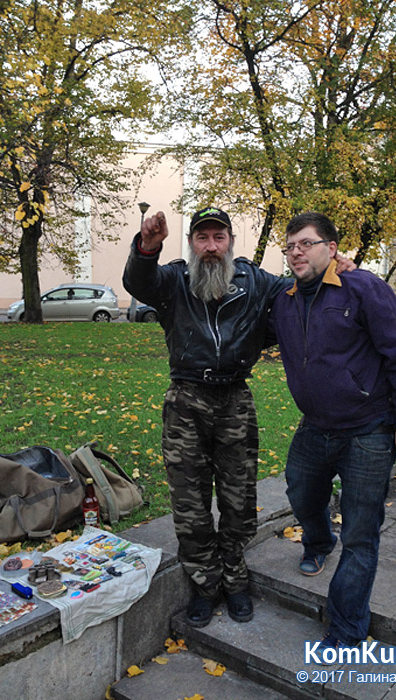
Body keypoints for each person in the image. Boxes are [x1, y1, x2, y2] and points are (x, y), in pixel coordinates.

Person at [123, 206, 294, 627]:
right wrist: (147, 245)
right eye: (203, 238)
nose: (211, 247)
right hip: (186, 401)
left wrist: (332, 266)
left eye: (219, 238)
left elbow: (298, 291)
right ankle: (204, 583)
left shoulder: (255, 282)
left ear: (230, 242)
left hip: (234, 399)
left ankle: (234, 580)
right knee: (190, 501)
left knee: (239, 499)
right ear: (192, 244)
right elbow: (138, 280)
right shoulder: (174, 282)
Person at [269, 211, 396, 657]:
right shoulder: (285, 298)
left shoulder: (363, 288)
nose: (296, 251)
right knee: (300, 491)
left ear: (332, 248)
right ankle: (319, 541)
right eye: (290, 245)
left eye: (306, 243)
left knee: (361, 530)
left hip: (368, 430)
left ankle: (347, 625)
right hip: (315, 427)